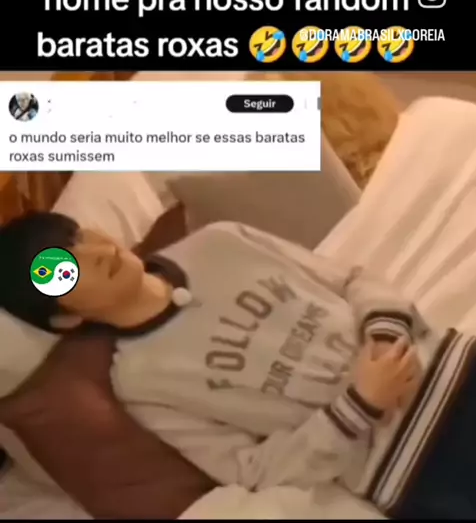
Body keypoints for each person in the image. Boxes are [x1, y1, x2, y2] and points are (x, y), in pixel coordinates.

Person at [0, 211, 434, 504]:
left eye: (78, 237)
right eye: (62, 271)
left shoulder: (219, 240)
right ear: (65, 319)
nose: (94, 253)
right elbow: (251, 472)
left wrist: (385, 336)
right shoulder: (140, 384)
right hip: (407, 463)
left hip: (444, 361)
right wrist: (358, 407)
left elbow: (351, 279)